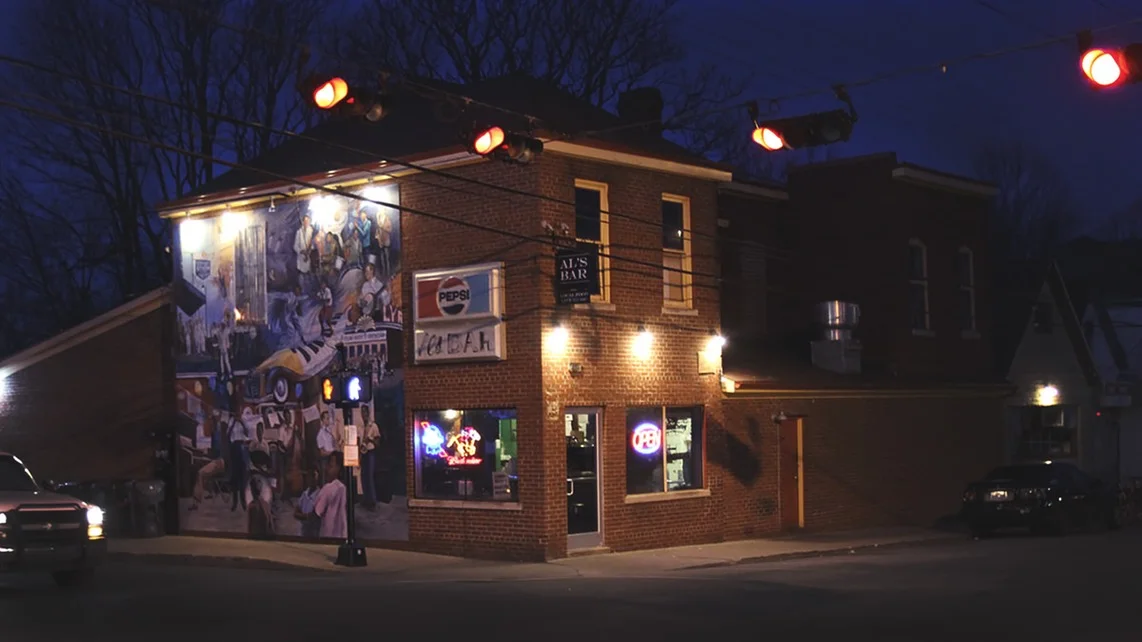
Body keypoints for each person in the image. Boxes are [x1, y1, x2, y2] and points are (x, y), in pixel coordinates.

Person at [311, 453, 347, 539]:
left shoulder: (328, 488)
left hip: (328, 535)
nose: (327, 469)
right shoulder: (343, 488)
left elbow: (317, 512)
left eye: (330, 466)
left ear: (338, 468)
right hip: (343, 534)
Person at [358, 405, 381, 508]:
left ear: (368, 413)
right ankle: (366, 498)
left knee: (369, 476)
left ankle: (372, 500)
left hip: (371, 452)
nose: (364, 415)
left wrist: (370, 439)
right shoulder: (362, 427)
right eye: (362, 413)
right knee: (363, 476)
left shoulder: (373, 426)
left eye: (365, 413)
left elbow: (378, 442)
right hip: (363, 452)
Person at [294, 469, 321, 539]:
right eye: (310, 477)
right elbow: (296, 512)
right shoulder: (304, 494)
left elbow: (314, 516)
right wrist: (305, 516)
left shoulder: (320, 494)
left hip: (314, 531)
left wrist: (305, 516)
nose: (312, 479)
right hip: (303, 530)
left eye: (314, 477)